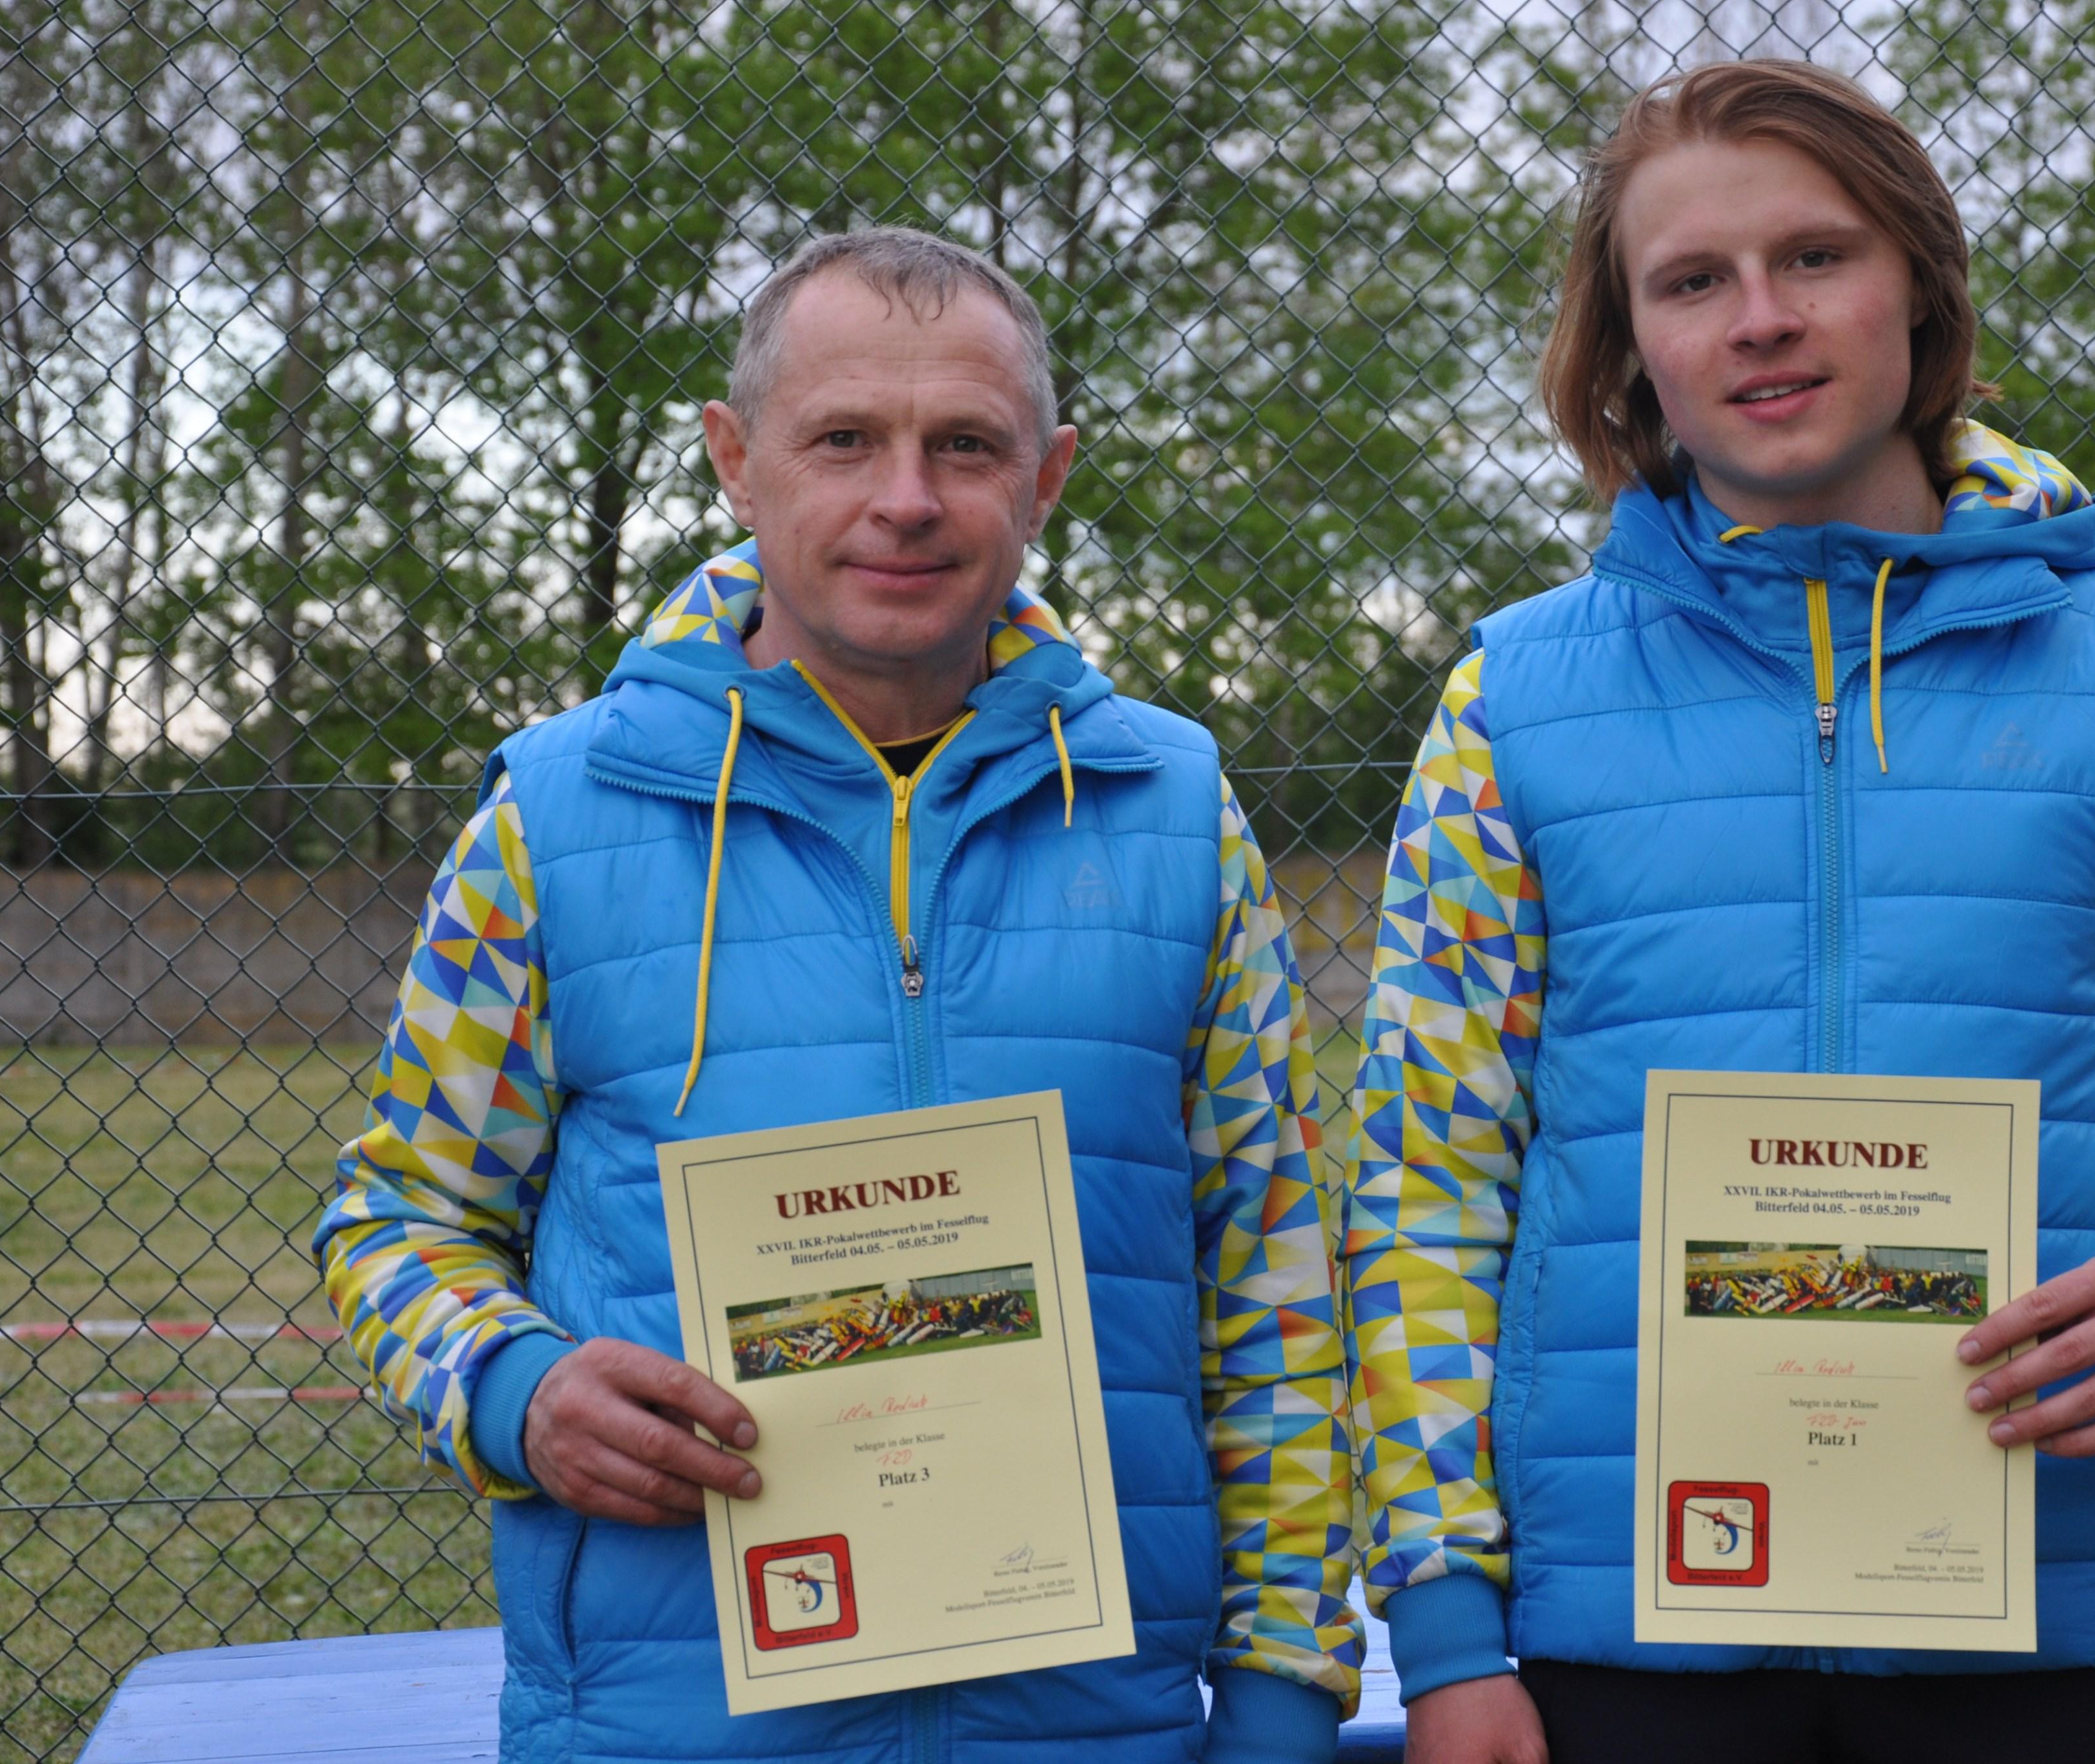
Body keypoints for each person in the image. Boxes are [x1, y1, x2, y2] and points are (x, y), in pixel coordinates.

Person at [1342, 62, 2095, 1764]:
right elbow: (1422, 1183)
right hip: (1622, 1641)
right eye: (1691, 279)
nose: (1760, 318)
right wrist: (1446, 1624)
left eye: (1814, 256)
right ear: (1629, 346)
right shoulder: (1509, 703)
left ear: (1920, 286)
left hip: (2029, 1620)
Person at [315, 228, 1358, 1764]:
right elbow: (396, 1217)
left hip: (1093, 1728)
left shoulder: (1172, 814)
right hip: (670, 1732)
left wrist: (1281, 1685)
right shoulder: (551, 818)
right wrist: (510, 1387)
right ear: (738, 462)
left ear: (1047, 478)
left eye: (966, 446)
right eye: (845, 439)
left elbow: (1271, 1276)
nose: (907, 497)